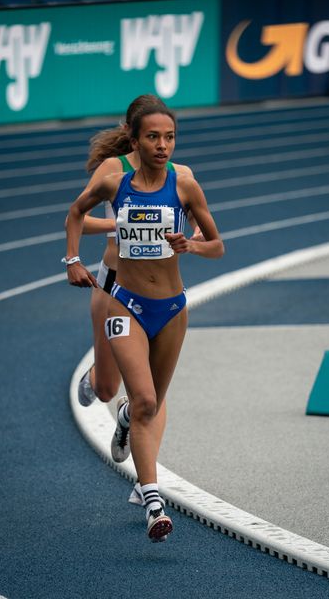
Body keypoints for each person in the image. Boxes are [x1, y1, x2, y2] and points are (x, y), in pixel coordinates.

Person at [64, 102, 224, 541]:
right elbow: (79, 212)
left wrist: (187, 243)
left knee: (148, 399)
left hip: (168, 300)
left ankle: (148, 488)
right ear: (134, 137)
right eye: (153, 136)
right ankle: (109, 386)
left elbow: (214, 242)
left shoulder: (183, 179)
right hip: (115, 287)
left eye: (168, 136)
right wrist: (114, 226)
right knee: (105, 389)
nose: (162, 144)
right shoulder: (115, 175)